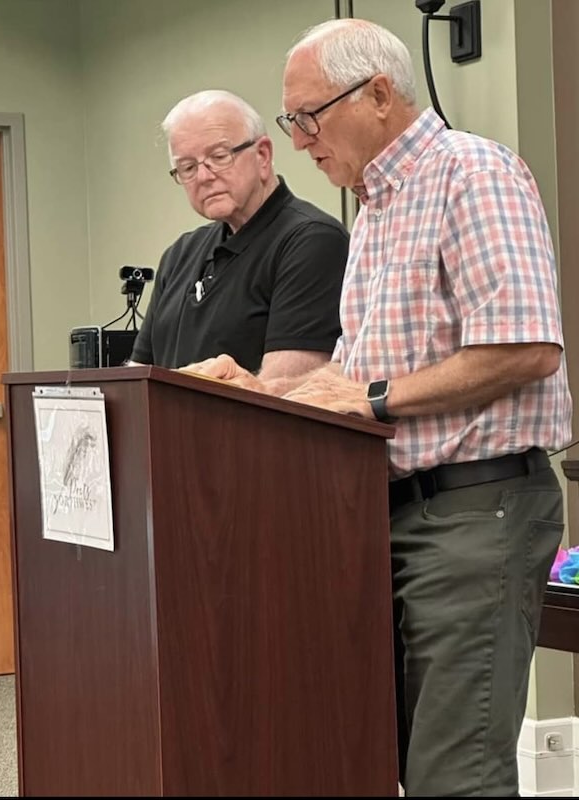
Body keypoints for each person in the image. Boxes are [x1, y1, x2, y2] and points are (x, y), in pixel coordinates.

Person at [183, 19, 574, 798]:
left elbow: (526, 347)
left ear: (381, 94)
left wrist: (369, 396)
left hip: (475, 509)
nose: (299, 140)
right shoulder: (376, 209)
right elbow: (364, 374)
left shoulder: (472, 173)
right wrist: (261, 391)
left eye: (307, 117)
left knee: (454, 777)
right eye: (292, 120)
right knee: (382, 758)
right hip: (385, 513)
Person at [128, 90, 349, 390]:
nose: (203, 176)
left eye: (219, 157)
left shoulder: (312, 242)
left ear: (263, 155)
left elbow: (284, 393)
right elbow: (138, 381)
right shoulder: (179, 254)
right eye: (188, 167)